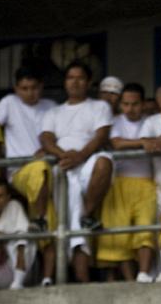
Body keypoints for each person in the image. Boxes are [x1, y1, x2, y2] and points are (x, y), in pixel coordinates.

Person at [0, 67, 57, 285]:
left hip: (46, 177)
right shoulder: (8, 102)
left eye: (34, 88)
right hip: (20, 172)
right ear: (16, 88)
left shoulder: (52, 107)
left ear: (41, 87)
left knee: (53, 229)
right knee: (39, 170)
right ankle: (39, 220)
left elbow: (60, 137)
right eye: (24, 88)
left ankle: (47, 278)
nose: (30, 93)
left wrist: (50, 148)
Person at [39, 60, 114, 283]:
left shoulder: (99, 107)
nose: (75, 82)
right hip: (63, 166)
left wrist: (80, 156)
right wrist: (64, 156)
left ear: (89, 82)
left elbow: (101, 136)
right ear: (65, 82)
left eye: (80, 77)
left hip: (88, 161)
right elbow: (46, 138)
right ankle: (80, 276)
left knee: (103, 161)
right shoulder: (54, 111)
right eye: (70, 77)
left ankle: (86, 215)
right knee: (72, 227)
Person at [98, 82, 156, 283]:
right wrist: (142, 143)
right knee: (117, 235)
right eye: (126, 104)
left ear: (144, 104)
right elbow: (116, 143)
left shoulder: (152, 121)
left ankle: (143, 274)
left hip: (146, 182)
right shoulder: (113, 121)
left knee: (145, 229)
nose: (130, 108)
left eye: (135, 104)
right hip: (118, 183)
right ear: (121, 104)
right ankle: (127, 278)